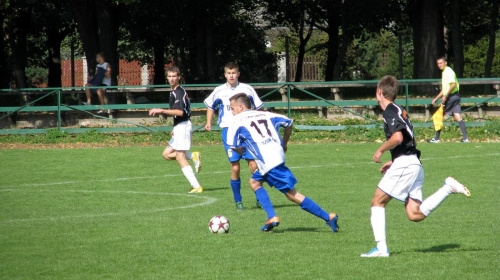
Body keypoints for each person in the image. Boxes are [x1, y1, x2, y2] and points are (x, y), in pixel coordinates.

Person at [361, 75, 471, 257]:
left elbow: (397, 138)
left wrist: (380, 151)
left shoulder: (389, 111)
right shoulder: (400, 110)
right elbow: (413, 140)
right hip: (413, 164)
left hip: (406, 164)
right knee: (415, 214)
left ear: (379, 92)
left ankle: (381, 249)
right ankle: (448, 188)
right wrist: (395, 159)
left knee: (377, 202)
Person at [227, 93, 339, 232]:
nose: (231, 112)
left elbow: (233, 146)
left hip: (267, 161)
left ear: (240, 107)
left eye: (232, 108)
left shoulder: (236, 121)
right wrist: (284, 144)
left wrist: (247, 151)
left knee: (292, 194)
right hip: (276, 156)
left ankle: (328, 216)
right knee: (254, 182)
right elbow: (289, 123)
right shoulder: (266, 114)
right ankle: (271, 216)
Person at [204, 62, 263, 211]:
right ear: (225, 75)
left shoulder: (247, 89)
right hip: (230, 133)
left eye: (234, 73)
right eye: (229, 73)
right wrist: (209, 122)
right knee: (235, 167)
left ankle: (259, 198)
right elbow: (210, 106)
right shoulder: (219, 91)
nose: (231, 75)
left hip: (246, 131)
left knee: (253, 165)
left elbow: (259, 107)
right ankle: (238, 201)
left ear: (238, 74)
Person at [149, 66, 203, 194]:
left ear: (179, 77)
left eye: (174, 76)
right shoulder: (174, 92)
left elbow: (179, 112)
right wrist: (175, 127)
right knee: (167, 154)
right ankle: (193, 155)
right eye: (170, 76)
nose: (172, 79)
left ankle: (197, 186)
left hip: (183, 126)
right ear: (167, 78)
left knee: (180, 157)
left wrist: (161, 110)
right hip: (180, 126)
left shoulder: (179, 92)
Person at [428, 57, 469, 143]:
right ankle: (465, 138)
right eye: (438, 63)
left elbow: (453, 84)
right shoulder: (445, 72)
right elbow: (444, 89)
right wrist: (436, 98)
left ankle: (436, 138)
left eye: (441, 63)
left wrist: (446, 96)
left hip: (451, 96)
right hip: (456, 96)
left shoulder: (448, 71)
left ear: (445, 63)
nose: (439, 65)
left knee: (440, 115)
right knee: (457, 116)